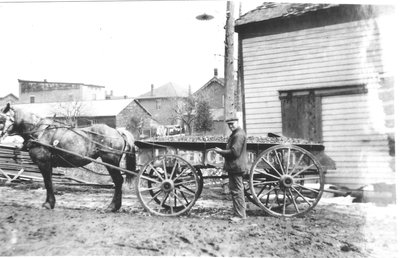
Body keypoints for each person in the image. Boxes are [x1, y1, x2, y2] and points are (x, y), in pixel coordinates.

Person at [214, 116, 247, 222]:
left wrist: (221, 152)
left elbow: (234, 152)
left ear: (237, 123)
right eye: (229, 124)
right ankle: (238, 214)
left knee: (237, 191)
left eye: (232, 123)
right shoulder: (236, 134)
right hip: (234, 166)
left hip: (236, 166)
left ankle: (240, 215)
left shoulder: (238, 135)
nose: (231, 126)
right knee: (235, 190)